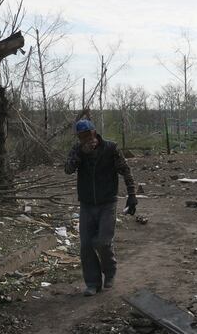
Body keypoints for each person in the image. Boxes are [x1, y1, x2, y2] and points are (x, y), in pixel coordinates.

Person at [64, 119, 137, 296]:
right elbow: (68, 169)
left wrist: (132, 194)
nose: (87, 139)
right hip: (87, 203)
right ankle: (92, 283)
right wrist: (81, 154)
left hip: (107, 202)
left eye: (88, 135)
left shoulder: (110, 148)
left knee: (103, 242)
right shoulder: (77, 150)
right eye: (82, 137)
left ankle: (110, 271)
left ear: (95, 133)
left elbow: (125, 170)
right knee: (86, 245)